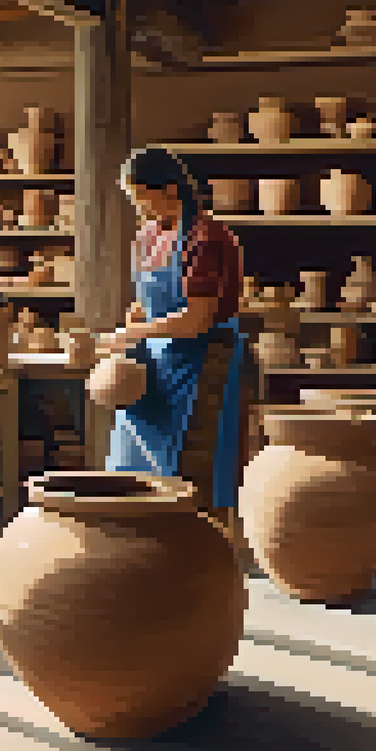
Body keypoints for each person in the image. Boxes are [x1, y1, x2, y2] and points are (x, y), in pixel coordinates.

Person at [96, 147, 255, 536]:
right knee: (133, 468)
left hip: (202, 362)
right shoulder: (149, 234)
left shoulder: (207, 238)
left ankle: (206, 553)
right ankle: (142, 551)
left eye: (142, 200)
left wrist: (132, 332)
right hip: (154, 363)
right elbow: (148, 300)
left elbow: (197, 319)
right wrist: (133, 321)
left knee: (194, 470)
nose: (139, 211)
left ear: (170, 189)